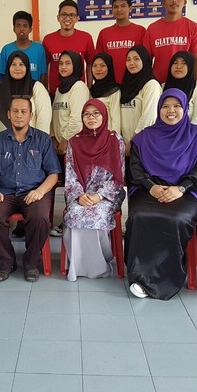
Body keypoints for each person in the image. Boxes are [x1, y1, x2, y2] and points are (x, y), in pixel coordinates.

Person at [125, 89, 197, 300]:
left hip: (187, 192)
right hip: (149, 190)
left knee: (176, 218)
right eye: (165, 106)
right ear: (158, 109)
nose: (170, 111)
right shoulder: (144, 137)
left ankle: (164, 278)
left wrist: (180, 188)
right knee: (140, 215)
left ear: (185, 109)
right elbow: (135, 169)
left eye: (176, 106)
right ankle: (140, 276)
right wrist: (151, 187)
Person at [0, 97, 61, 282]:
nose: (19, 115)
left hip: (34, 192)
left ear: (31, 115)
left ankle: (31, 262)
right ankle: (6, 261)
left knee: (40, 218)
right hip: (5, 193)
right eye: (15, 111)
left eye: (23, 111)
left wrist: (40, 191)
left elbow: (53, 174)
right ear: (8, 114)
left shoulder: (43, 140)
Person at [63, 99, 125, 281]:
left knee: (96, 214)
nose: (91, 118)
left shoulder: (115, 140)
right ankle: (78, 266)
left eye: (96, 113)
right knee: (75, 214)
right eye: (86, 114)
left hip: (107, 195)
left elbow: (119, 176)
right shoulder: (74, 142)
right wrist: (79, 195)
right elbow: (70, 175)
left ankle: (100, 264)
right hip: (81, 194)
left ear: (104, 115)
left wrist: (99, 196)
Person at [142, 0, 197, 83]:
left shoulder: (194, 28)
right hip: (158, 85)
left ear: (185, 2)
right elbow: (146, 61)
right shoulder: (152, 29)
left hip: (184, 85)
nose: (174, 0)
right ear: (163, 3)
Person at [0, 51, 52, 139]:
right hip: (4, 143)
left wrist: (40, 142)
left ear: (27, 67)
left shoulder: (37, 88)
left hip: (31, 143)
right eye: (13, 64)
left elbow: (44, 118)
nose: (17, 68)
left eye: (21, 64)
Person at [43, 0, 95, 93]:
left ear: (77, 18)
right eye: (64, 15)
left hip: (78, 91)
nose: (67, 19)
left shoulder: (86, 38)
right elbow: (44, 66)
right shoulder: (48, 39)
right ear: (58, 18)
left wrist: (89, 87)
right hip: (55, 92)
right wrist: (46, 90)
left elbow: (90, 63)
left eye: (72, 15)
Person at [119, 45, 162, 156]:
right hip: (125, 146)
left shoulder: (151, 85)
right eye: (128, 59)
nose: (131, 63)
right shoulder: (125, 85)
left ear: (144, 60)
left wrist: (132, 142)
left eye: (136, 59)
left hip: (143, 145)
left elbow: (149, 118)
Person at [95, 0, 145, 83]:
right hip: (110, 84)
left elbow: (145, 60)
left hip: (134, 82)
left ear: (130, 8)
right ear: (112, 9)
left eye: (123, 6)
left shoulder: (140, 31)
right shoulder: (104, 33)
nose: (119, 9)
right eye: (115, 7)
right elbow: (99, 61)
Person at [51, 50, 90, 157]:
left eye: (68, 63)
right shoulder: (59, 89)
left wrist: (65, 140)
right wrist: (54, 138)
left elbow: (77, 119)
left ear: (76, 65)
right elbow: (54, 117)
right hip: (59, 146)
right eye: (61, 63)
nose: (63, 67)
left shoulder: (79, 87)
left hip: (73, 145)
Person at [164, 51, 197, 129]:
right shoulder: (162, 88)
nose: (179, 66)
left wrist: (183, 135)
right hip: (165, 134)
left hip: (192, 135)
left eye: (184, 63)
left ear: (190, 66)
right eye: (175, 63)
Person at [0, 11, 47, 82]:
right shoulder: (6, 49)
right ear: (14, 29)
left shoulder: (39, 49)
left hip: (34, 88)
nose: (21, 29)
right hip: (12, 89)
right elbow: (2, 76)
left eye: (25, 26)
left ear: (30, 29)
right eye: (18, 26)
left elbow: (43, 75)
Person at [89, 52, 121, 133]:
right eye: (94, 66)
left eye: (102, 65)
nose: (98, 69)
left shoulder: (114, 91)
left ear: (109, 68)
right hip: (92, 136)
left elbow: (116, 120)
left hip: (107, 137)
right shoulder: (90, 91)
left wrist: (113, 138)